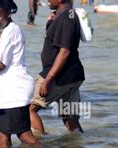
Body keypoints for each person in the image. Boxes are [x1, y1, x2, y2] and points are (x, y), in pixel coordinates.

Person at [0, 0, 42, 148]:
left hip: (15, 91)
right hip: (12, 91)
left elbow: (2, 63)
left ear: (8, 12)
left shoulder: (10, 32)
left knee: (24, 136)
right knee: (3, 134)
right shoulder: (10, 30)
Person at [29, 0, 86, 135]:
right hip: (72, 76)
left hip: (57, 77)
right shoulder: (66, 16)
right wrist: (50, 24)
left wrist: (48, 79)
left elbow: (64, 51)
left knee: (27, 109)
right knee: (69, 117)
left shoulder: (66, 19)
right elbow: (56, 42)